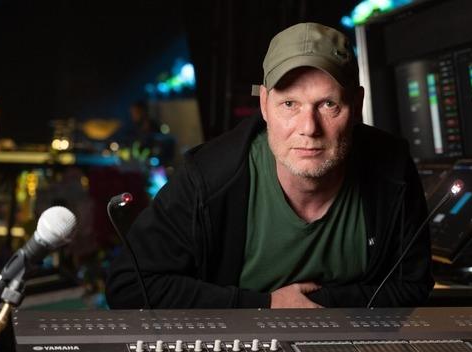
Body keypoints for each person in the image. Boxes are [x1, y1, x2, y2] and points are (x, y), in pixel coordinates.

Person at [106, 22, 433, 309]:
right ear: (264, 104)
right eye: (289, 104)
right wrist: (264, 305)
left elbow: (412, 285)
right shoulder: (208, 177)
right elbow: (129, 285)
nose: (309, 128)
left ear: (357, 104)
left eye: (328, 104)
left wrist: (315, 306)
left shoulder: (392, 168)